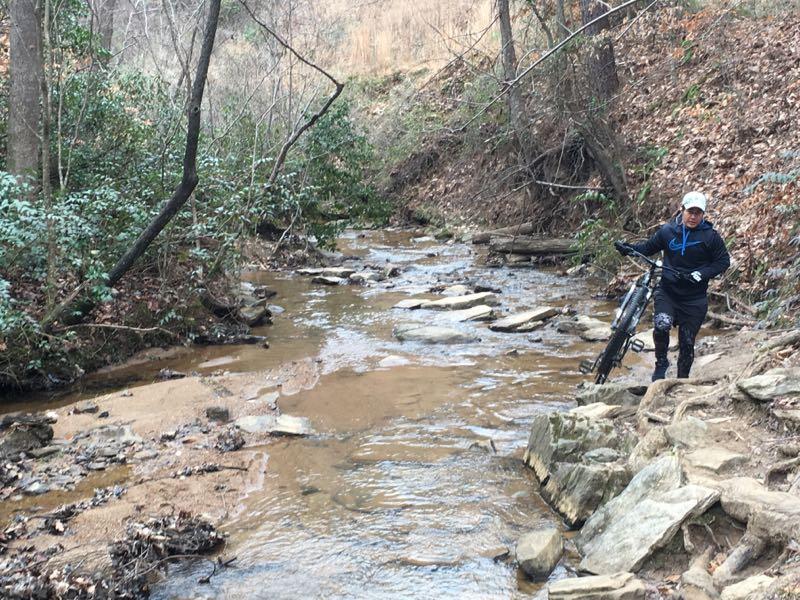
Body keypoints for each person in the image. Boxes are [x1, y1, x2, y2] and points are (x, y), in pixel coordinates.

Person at [614, 191, 730, 381]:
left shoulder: (710, 237)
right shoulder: (668, 231)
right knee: (661, 325)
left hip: (694, 300)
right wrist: (629, 249)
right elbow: (647, 248)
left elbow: (723, 262)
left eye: (697, 213)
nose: (693, 216)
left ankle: (680, 383)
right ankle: (661, 363)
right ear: (682, 210)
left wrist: (701, 274)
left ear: (703, 215)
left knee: (686, 344)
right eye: (689, 211)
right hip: (668, 292)